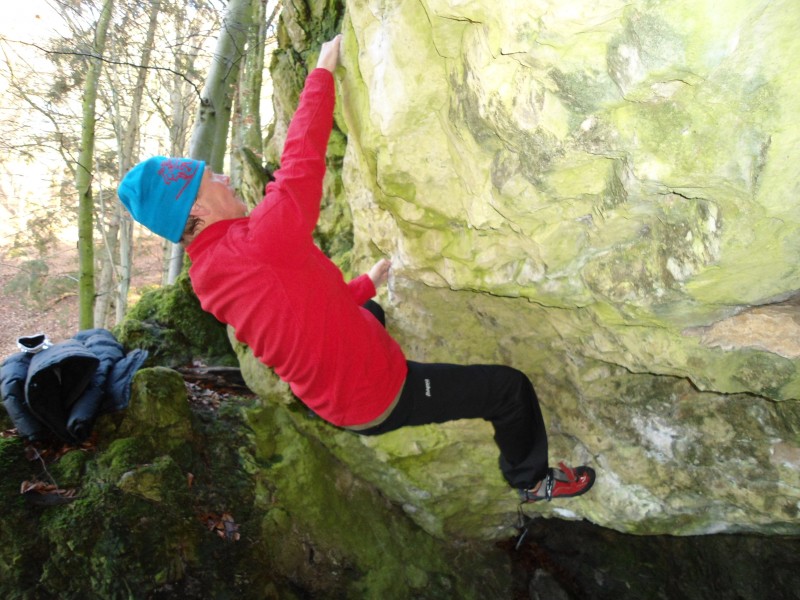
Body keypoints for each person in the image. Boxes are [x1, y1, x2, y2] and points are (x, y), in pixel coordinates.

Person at [117, 34, 595, 503]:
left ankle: (372, 319)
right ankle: (532, 482)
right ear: (196, 211)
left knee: (371, 313)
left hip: (327, 393)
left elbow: (305, 311)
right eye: (210, 179)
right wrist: (323, 72)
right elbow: (299, 166)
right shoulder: (259, 242)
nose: (222, 177)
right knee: (509, 390)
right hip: (379, 395)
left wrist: (368, 284)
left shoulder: (210, 272)